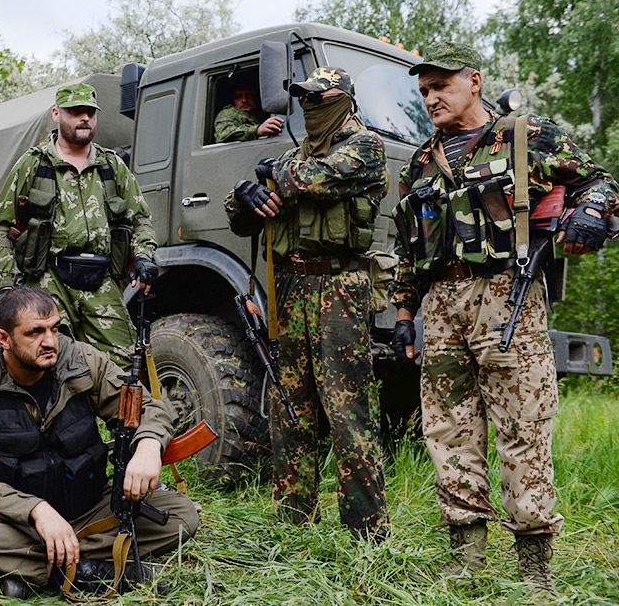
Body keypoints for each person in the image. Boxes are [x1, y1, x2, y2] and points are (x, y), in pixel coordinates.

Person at [389, 42, 619, 594]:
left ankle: (533, 569)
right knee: (448, 430)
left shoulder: (525, 136)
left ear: (474, 80)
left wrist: (589, 211)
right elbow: (406, 246)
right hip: (440, 305)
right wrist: (403, 312)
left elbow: (601, 180)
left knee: (522, 428)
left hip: (506, 295)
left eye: (441, 85)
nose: (431, 97)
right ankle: (467, 557)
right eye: (423, 90)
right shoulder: (422, 161)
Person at [0, 286, 199, 598]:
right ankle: (92, 570)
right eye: (35, 332)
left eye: (54, 329)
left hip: (88, 507)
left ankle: (44, 569)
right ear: (4, 339)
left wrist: (149, 445)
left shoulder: (83, 363)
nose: (49, 341)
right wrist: (35, 510)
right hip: (19, 524)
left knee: (181, 515)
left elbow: (147, 409)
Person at [225, 67, 389, 539]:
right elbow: (239, 220)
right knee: (288, 405)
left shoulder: (365, 147)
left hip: (339, 290)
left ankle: (366, 533)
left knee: (347, 410)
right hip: (291, 291)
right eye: (303, 99)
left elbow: (310, 180)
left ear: (344, 100)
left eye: (320, 98)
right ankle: (292, 521)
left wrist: (267, 173)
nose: (309, 107)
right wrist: (244, 195)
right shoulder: (292, 157)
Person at [0, 83, 159, 369]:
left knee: (125, 365)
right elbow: (0, 229)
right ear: (56, 114)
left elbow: (140, 219)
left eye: (90, 112)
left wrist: (143, 255)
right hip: (48, 279)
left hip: (101, 280)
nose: (84, 118)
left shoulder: (112, 166)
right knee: (48, 365)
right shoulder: (33, 164)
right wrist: (5, 285)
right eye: (75, 111)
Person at [214, 83, 284, 143]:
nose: (244, 100)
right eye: (238, 97)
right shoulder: (229, 113)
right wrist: (257, 130)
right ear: (233, 101)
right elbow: (223, 134)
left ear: (256, 98)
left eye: (248, 95)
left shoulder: (258, 115)